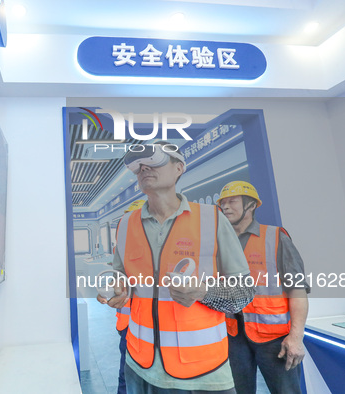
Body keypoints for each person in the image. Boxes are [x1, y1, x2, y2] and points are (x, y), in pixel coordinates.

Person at [100, 142, 254, 393]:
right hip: (139, 364)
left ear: (179, 168)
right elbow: (122, 276)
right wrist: (119, 288)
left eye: (155, 161)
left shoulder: (212, 220)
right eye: (138, 166)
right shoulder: (127, 224)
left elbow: (244, 293)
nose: (143, 169)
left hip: (203, 371)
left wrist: (204, 293)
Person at [217, 181, 309, 394]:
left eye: (232, 201)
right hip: (233, 336)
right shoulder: (219, 243)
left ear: (251, 206)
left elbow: (297, 290)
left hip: (274, 339)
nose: (226, 207)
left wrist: (295, 338)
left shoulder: (276, 237)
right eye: (223, 203)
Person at [97, 199, 146, 394]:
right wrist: (106, 292)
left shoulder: (160, 255)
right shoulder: (125, 253)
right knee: (126, 377)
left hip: (152, 329)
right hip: (128, 328)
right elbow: (120, 281)